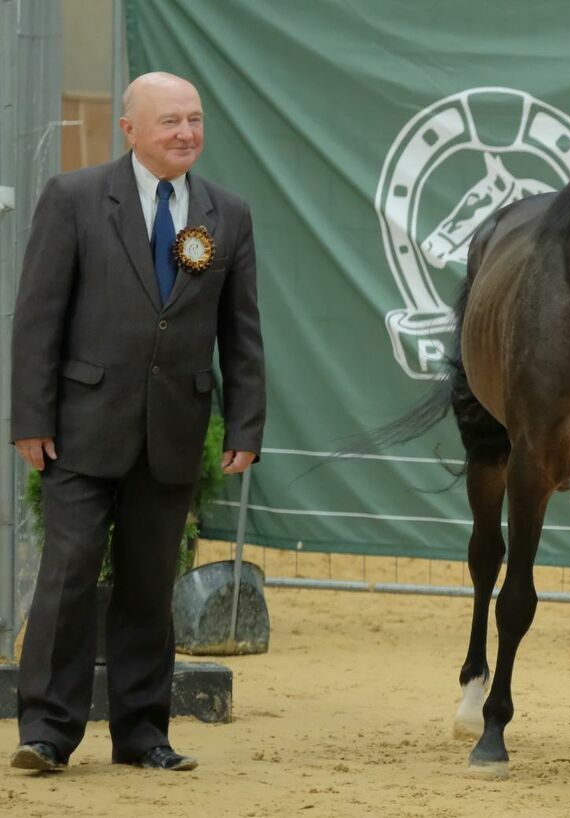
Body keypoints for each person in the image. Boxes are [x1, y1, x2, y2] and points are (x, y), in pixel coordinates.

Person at [8, 72, 265, 772]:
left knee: (150, 585)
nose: (186, 133)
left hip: (173, 431)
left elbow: (242, 332)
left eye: (194, 119)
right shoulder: (74, 199)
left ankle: (144, 733)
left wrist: (246, 425)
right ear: (130, 129)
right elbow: (37, 319)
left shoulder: (227, 214)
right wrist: (30, 417)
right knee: (68, 576)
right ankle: (48, 733)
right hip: (81, 426)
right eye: (169, 122)